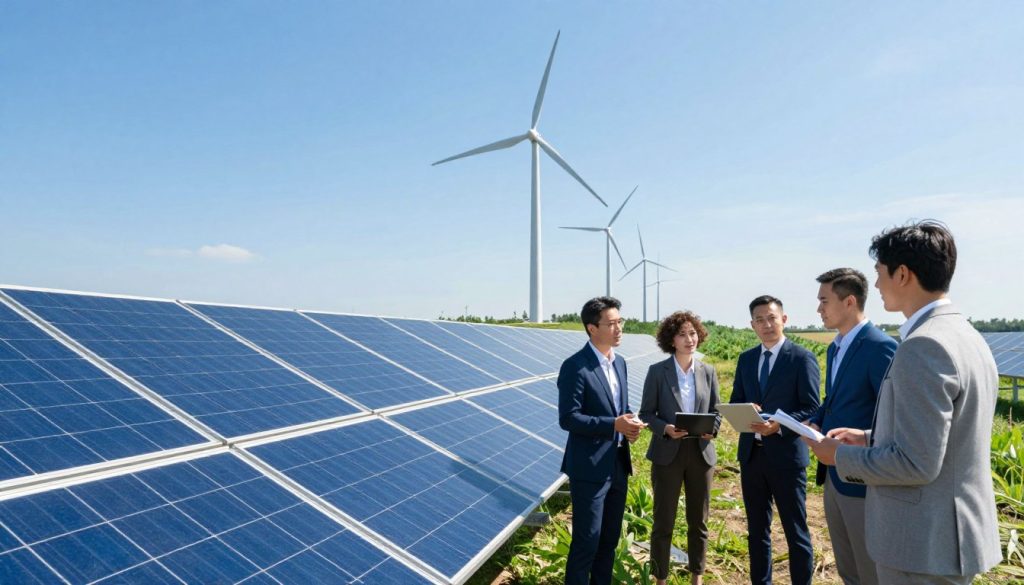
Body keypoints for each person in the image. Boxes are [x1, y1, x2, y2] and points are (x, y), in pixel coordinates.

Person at [807, 220, 1001, 584]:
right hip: (948, 536)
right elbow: (945, 437)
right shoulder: (964, 334)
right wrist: (870, 437)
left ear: (902, 274)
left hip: (921, 543)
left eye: (879, 273)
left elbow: (916, 463)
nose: (877, 285)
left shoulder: (923, 346)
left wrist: (840, 456)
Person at [805, 268, 897, 585]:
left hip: (863, 477)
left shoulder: (880, 347)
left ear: (849, 302)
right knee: (848, 567)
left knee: (870, 570)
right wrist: (815, 420)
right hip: (834, 474)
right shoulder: (835, 347)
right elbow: (834, 400)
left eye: (824, 301)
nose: (818, 309)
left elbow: (892, 414)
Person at [730, 295, 820, 585]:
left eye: (771, 318)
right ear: (752, 325)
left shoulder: (801, 358)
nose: (767, 324)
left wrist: (779, 425)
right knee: (757, 531)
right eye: (760, 320)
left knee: (796, 532)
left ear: (784, 319)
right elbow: (736, 399)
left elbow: (811, 406)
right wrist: (746, 409)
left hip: (786, 458)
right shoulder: (746, 359)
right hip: (752, 456)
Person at [558, 296, 646, 585]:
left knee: (608, 541)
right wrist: (613, 425)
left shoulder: (619, 363)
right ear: (592, 328)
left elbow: (620, 409)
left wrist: (629, 426)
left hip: (618, 464)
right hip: (589, 467)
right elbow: (569, 418)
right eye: (611, 323)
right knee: (587, 542)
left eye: (620, 321)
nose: (619, 328)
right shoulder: (576, 366)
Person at [639, 311, 721, 585]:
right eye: (682, 334)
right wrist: (665, 428)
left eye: (693, 333)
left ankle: (697, 577)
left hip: (700, 453)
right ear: (671, 340)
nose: (690, 339)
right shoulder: (657, 372)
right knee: (664, 521)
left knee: (699, 521)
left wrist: (713, 429)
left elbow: (716, 411)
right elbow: (646, 413)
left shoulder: (708, 371)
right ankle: (660, 578)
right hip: (667, 453)